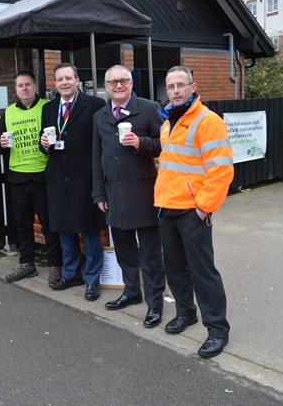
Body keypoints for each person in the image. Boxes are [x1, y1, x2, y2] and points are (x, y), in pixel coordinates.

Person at [154, 66, 234, 358]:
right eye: (170, 86)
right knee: (174, 268)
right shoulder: (167, 122)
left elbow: (221, 169)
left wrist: (203, 208)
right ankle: (186, 313)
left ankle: (217, 330)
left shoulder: (207, 120)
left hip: (192, 211)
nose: (175, 91)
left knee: (203, 272)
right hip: (166, 207)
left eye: (180, 85)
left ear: (193, 86)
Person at [92, 65, 166, 328]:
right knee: (124, 249)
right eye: (113, 82)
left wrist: (141, 143)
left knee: (150, 253)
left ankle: (155, 302)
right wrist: (98, 191)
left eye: (123, 80)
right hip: (113, 194)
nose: (118, 85)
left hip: (144, 193)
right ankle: (132, 291)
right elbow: (96, 157)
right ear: (106, 86)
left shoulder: (149, 108)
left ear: (131, 82)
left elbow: (165, 145)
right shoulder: (100, 115)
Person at [40, 62, 106, 301]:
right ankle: (71, 274)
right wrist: (43, 144)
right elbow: (44, 140)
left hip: (85, 178)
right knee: (64, 229)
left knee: (89, 231)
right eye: (60, 79)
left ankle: (92, 279)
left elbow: (101, 141)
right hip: (58, 178)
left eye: (68, 78)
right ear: (55, 83)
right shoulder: (48, 108)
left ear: (77, 80)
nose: (64, 83)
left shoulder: (96, 105)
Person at [0, 71, 63, 285]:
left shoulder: (47, 107)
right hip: (17, 177)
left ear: (35, 87)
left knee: (49, 224)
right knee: (22, 224)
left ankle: (55, 265)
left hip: (43, 176)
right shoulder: (7, 113)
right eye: (20, 86)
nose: (24, 89)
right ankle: (27, 263)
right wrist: (1, 144)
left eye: (27, 85)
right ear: (15, 90)